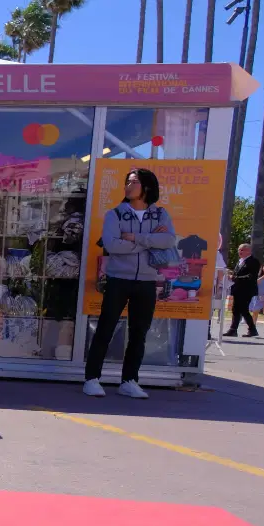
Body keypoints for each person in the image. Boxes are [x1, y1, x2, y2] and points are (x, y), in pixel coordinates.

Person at [84, 168, 177, 400]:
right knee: (105, 328)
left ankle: (129, 381)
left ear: (146, 186)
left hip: (147, 281)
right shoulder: (115, 214)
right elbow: (112, 245)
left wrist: (136, 238)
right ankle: (92, 379)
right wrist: (150, 241)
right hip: (118, 279)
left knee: (139, 333)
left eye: (134, 182)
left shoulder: (160, 214)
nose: (128, 186)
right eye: (127, 181)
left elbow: (168, 240)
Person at [225, 243, 261, 337]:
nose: (239, 252)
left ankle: (251, 330)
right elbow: (238, 273)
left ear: (248, 251)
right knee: (236, 309)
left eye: (242, 250)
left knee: (243, 309)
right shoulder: (240, 261)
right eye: (239, 249)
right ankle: (233, 330)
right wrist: (231, 274)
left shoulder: (253, 261)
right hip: (238, 289)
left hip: (247, 290)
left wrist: (235, 278)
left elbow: (251, 276)